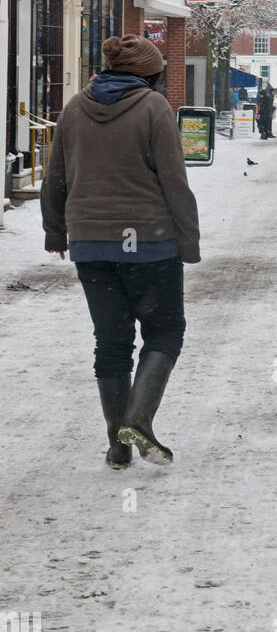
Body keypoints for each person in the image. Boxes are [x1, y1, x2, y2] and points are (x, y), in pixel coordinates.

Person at [40, 34, 200, 467]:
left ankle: (118, 442)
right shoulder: (154, 108)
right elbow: (173, 179)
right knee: (164, 332)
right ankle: (140, 419)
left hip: (90, 243)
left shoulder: (74, 108)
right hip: (148, 240)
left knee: (110, 340)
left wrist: (56, 231)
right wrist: (188, 238)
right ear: (149, 73)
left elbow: (56, 174)